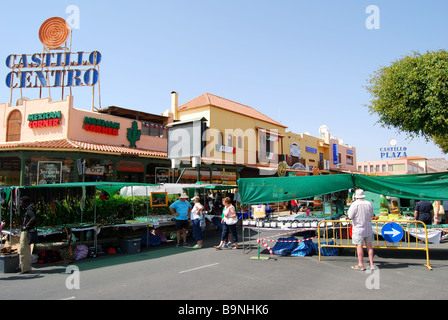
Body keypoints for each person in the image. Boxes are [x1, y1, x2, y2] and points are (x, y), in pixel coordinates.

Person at [347, 189, 375, 271]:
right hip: (368, 227)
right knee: (369, 246)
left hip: (358, 228)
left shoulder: (355, 204)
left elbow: (350, 216)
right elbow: (371, 215)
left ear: (356, 196)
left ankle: (361, 264)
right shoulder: (369, 203)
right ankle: (372, 264)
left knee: (359, 246)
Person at [18, 196, 36, 274]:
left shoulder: (29, 210)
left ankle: (25, 268)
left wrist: (27, 225)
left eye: (21, 203)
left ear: (26, 203)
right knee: (25, 250)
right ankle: (23, 266)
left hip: (26, 232)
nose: (20, 204)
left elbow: (33, 218)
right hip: (26, 231)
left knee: (23, 250)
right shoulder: (28, 209)